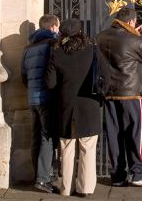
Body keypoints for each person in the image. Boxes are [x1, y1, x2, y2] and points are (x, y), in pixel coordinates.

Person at [96, 7, 142, 187]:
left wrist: (135, 34)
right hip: (131, 92)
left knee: (114, 135)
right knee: (135, 133)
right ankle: (138, 173)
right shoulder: (132, 40)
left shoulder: (101, 37)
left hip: (109, 92)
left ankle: (118, 175)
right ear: (131, 22)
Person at [45, 19, 102, 197]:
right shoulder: (92, 51)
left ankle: (66, 188)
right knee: (88, 148)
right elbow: (104, 76)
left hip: (66, 105)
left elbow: (50, 83)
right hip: (89, 104)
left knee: (67, 148)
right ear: (80, 32)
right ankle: (85, 188)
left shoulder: (56, 53)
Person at [21, 14, 60, 193]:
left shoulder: (28, 48)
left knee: (37, 136)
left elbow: (24, 76)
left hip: (32, 97)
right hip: (47, 97)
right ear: (53, 27)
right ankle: (43, 178)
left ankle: (38, 174)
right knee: (48, 137)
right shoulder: (51, 44)